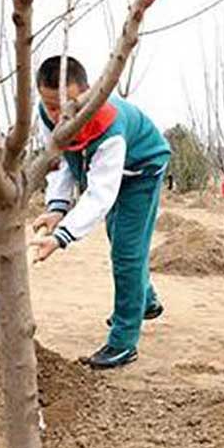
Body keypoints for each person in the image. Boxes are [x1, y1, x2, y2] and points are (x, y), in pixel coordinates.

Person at [28, 56, 171, 370]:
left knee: (127, 252)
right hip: (105, 173)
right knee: (118, 239)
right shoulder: (47, 116)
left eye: (65, 104)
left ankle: (123, 342)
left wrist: (62, 236)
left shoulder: (110, 127)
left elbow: (100, 194)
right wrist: (56, 207)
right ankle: (144, 300)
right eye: (49, 105)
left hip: (141, 170)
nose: (57, 115)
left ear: (87, 92)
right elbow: (64, 161)